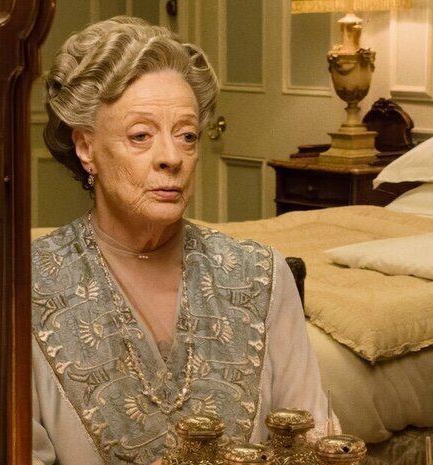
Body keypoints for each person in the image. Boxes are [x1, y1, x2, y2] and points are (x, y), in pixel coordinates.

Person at [32, 16, 332, 465]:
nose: (172, 157)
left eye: (187, 136)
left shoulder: (260, 275)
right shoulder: (29, 285)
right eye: (141, 136)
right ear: (86, 147)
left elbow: (311, 444)